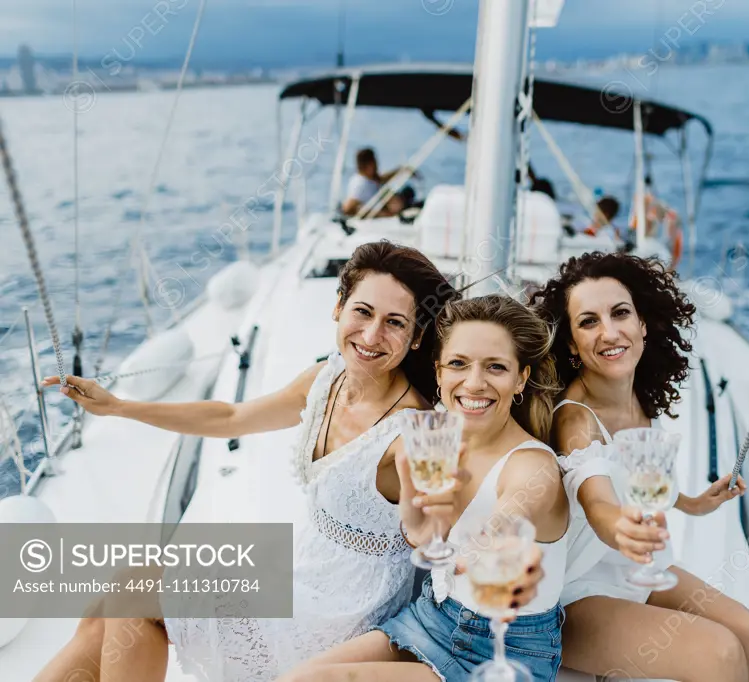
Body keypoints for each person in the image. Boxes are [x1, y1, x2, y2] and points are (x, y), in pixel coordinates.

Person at [34, 242, 545, 682]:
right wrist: (120, 406)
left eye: (394, 323)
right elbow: (231, 416)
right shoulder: (326, 379)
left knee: (134, 593)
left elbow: (429, 530)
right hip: (294, 573)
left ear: (416, 337)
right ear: (338, 308)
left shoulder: (412, 432)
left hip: (338, 610)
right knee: (104, 611)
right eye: (362, 313)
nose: (370, 336)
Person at [278, 295, 570, 682]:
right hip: (433, 616)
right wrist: (416, 513)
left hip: (505, 650)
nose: (474, 382)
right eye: (458, 364)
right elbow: (421, 537)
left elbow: (510, 515)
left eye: (495, 367)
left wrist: (490, 545)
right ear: (438, 373)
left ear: (520, 379)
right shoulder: (433, 442)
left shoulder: (533, 465)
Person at [529, 251, 749, 682]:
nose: (609, 331)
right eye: (588, 321)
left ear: (643, 324)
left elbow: (635, 480)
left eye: (620, 313)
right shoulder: (576, 419)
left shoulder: (639, 396)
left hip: (637, 573)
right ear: (571, 342)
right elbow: (599, 500)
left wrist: (693, 503)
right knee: (719, 654)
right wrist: (618, 526)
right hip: (577, 598)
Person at [341, 148, 410, 218]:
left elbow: (381, 179)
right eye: (375, 162)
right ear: (369, 165)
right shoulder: (360, 184)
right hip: (375, 219)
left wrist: (402, 170)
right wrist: (382, 214)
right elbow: (348, 209)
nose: (377, 165)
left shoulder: (368, 178)